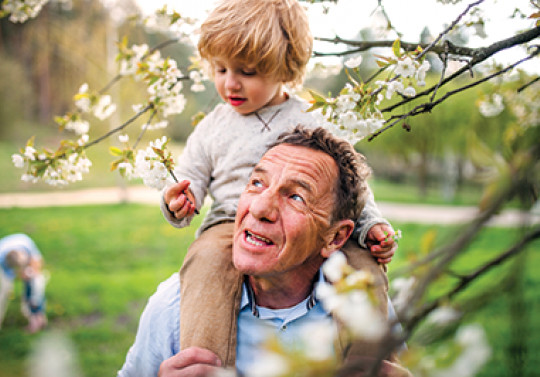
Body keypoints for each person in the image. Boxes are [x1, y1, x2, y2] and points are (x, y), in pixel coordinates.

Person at [161, 0, 398, 367]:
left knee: (364, 267)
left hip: (312, 223)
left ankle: (370, 365)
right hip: (230, 223)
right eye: (220, 69)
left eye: (248, 71)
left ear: (285, 68)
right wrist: (179, 200)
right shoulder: (213, 127)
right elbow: (187, 178)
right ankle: (204, 365)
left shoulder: (312, 118)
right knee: (206, 262)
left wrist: (371, 226)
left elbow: (351, 184)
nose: (230, 83)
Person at [119, 126, 410, 377]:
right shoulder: (174, 306)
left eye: (296, 196)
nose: (258, 209)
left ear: (335, 238)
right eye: (257, 183)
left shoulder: (364, 311)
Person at [0, 233, 47, 333]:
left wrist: (33, 273)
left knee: (36, 287)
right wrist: (20, 275)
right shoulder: (3, 261)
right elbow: (10, 276)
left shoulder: (27, 244)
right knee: (4, 292)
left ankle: (37, 316)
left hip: (23, 252)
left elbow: (38, 261)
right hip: (5, 266)